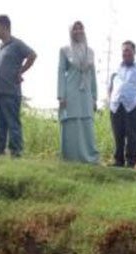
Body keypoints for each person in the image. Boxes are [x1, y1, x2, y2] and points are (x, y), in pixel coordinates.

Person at [0, 15, 37, 157]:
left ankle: (16, 153)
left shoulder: (16, 44)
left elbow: (32, 55)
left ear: (5, 27)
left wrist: (21, 71)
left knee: (12, 124)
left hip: (11, 92)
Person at [57, 21, 100, 164]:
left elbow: (93, 75)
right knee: (71, 122)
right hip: (71, 91)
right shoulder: (64, 50)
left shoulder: (91, 52)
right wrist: (61, 95)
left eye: (80, 28)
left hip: (86, 92)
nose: (78, 31)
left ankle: (89, 157)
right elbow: (61, 72)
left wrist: (94, 97)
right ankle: (71, 158)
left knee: (86, 122)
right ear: (70, 31)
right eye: (74, 28)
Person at [108, 40, 136, 168]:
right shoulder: (116, 69)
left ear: (134, 52)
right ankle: (118, 161)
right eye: (124, 50)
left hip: (132, 106)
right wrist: (110, 99)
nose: (126, 53)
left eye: (128, 50)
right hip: (116, 106)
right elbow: (111, 86)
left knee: (132, 135)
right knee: (118, 134)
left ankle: (131, 162)